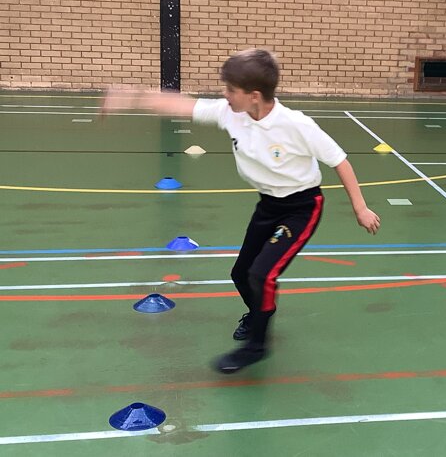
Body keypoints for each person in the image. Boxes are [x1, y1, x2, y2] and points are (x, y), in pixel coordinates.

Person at [101, 49, 380, 374]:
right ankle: (259, 313)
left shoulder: (296, 125)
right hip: (268, 204)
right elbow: (181, 105)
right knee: (241, 273)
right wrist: (132, 97)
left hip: (301, 208)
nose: (225, 94)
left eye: (231, 89)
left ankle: (256, 346)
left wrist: (360, 208)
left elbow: (340, 161)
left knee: (262, 274)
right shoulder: (231, 112)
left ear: (254, 96)